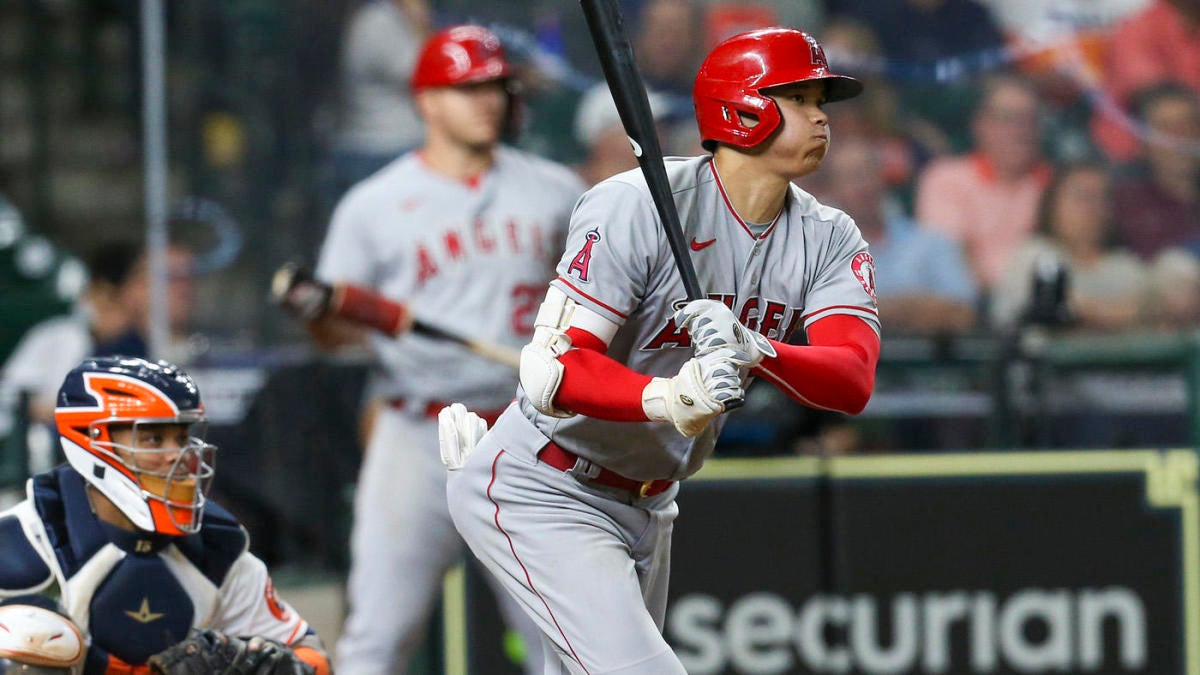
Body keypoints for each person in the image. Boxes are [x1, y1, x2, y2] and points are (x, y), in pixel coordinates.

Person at [443, 28, 880, 673]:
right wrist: (667, 397)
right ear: (743, 109)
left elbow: (853, 377)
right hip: (548, 482)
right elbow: (552, 371)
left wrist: (758, 351)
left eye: (822, 99)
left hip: (652, 502)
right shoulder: (636, 205)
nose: (821, 116)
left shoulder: (828, 235)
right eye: (799, 97)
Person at [281, 25, 585, 674]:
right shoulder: (375, 205)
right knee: (378, 635)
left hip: (527, 425)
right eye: (467, 86)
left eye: (497, 86)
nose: (488, 100)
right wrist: (317, 315)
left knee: (558, 632)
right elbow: (339, 336)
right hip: (417, 428)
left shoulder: (556, 189)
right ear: (426, 101)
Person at [0, 356, 331, 674]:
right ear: (93, 440)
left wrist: (273, 666)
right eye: (154, 438)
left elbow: (315, 660)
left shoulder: (218, 551)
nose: (179, 457)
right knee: (23, 644)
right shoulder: (24, 541)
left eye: (182, 438)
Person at [0, 240, 194, 427]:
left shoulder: (158, 344)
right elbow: (13, 401)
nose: (179, 291)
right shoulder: (62, 337)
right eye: (147, 281)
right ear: (111, 289)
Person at [819, 136, 977, 333]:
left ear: (883, 179)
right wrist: (911, 306)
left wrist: (868, 310)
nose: (862, 186)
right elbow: (820, 318)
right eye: (850, 178)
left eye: (867, 174)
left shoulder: (931, 243)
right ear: (832, 189)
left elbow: (965, 311)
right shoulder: (819, 253)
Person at [914, 73, 1053, 291]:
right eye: (1009, 119)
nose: (1021, 131)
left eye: (1030, 120)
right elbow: (949, 260)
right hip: (977, 305)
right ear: (980, 124)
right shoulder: (946, 179)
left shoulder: (1055, 183)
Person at [991, 162, 1147, 330]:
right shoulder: (1035, 256)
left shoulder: (1125, 265)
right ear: (1053, 204)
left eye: (1103, 198)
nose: (1093, 208)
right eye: (1083, 197)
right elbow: (1038, 310)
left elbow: (1152, 312)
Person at [1113, 83, 1200, 260]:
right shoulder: (1124, 206)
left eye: (1189, 123)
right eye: (1165, 126)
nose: (1180, 136)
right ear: (1141, 142)